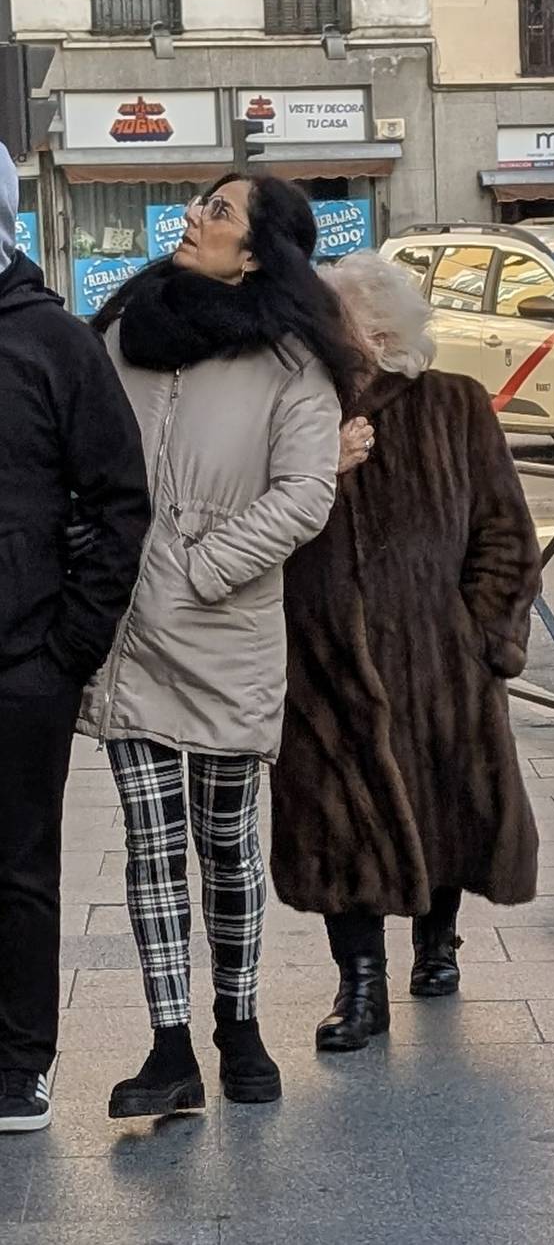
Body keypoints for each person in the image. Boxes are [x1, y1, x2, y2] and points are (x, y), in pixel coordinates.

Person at [77, 174, 352, 1117]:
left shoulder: (293, 364)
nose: (195, 217)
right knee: (150, 846)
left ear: (257, 251)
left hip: (226, 625)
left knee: (225, 845)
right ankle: (168, 1047)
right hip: (125, 628)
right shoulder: (126, 331)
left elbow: (305, 494)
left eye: (220, 211)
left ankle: (239, 1024)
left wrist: (200, 563)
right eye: (200, 204)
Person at [271, 251, 542, 1053]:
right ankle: (359, 987)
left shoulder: (454, 406)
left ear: (380, 332)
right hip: (323, 660)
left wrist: (484, 639)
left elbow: (505, 533)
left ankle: (438, 940)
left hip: (439, 660)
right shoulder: (298, 410)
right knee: (336, 818)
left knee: (445, 803)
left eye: (337, 315)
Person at [0, 145, 150, 1134]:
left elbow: (120, 502)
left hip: (21, 664)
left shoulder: (55, 344)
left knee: (16, 869)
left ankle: (17, 1065)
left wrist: (66, 653)